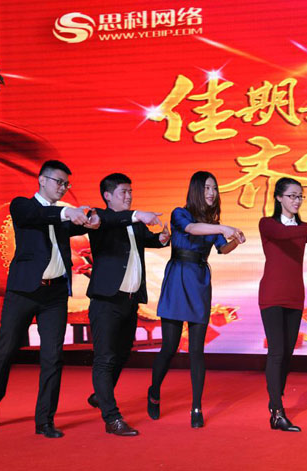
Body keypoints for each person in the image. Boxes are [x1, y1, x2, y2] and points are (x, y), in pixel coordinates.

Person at [0, 160, 99, 438]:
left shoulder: (62, 215)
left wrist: (92, 220)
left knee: (53, 357)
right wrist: (67, 212)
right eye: (59, 182)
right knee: (5, 351)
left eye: (67, 184)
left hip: (54, 295)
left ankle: (45, 420)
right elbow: (38, 216)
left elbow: (82, 224)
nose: (63, 187)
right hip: (23, 291)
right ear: (42, 180)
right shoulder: (22, 206)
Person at [148, 171, 245, 428]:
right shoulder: (180, 213)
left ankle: (196, 407)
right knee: (169, 347)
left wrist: (236, 240)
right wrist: (222, 228)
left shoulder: (212, 224)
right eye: (206, 188)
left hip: (199, 282)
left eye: (214, 188)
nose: (212, 193)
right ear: (195, 191)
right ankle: (154, 392)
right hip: (178, 278)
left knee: (196, 351)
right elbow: (191, 229)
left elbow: (223, 248)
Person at [85, 173, 170, 436]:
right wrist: (136, 215)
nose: (129, 196)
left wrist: (162, 238)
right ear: (107, 195)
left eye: (130, 191)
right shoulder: (99, 218)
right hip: (106, 300)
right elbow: (115, 219)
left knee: (122, 354)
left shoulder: (134, 223)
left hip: (130, 301)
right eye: (123, 191)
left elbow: (149, 240)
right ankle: (112, 418)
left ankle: (101, 395)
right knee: (105, 358)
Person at [259, 177, 307, 432]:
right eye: (292, 196)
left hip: (295, 296)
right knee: (276, 352)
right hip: (272, 295)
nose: (296, 200)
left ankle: (275, 400)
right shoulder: (268, 224)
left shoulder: (302, 228)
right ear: (279, 197)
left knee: (288, 353)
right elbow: (285, 234)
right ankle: (277, 410)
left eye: (300, 196)